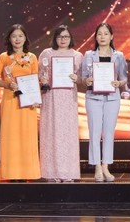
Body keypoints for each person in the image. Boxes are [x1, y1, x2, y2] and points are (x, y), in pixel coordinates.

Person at [0, 24, 41, 182]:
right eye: (14, 36)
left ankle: (27, 173)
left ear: (25, 38)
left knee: (27, 136)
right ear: (9, 39)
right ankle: (10, 174)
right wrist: (8, 85)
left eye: (20, 36)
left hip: (28, 103)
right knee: (10, 137)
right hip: (10, 101)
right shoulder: (3, 57)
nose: (17, 39)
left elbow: (35, 79)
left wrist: (36, 99)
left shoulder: (32, 57)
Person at [81, 22, 128, 182]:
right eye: (99, 34)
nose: (102, 37)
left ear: (111, 36)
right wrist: (87, 80)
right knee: (94, 132)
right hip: (93, 97)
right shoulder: (89, 55)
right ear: (96, 37)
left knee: (109, 133)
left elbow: (123, 78)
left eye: (106, 34)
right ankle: (97, 167)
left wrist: (119, 83)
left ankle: (106, 166)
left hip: (112, 98)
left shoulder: (119, 56)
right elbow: (83, 78)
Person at [38, 25, 82, 183]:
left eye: (66, 37)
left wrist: (77, 79)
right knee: (51, 132)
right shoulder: (46, 53)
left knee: (67, 134)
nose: (63, 40)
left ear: (71, 38)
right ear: (55, 38)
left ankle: (68, 172)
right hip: (51, 98)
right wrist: (43, 79)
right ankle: (51, 172)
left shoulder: (77, 56)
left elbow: (82, 78)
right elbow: (40, 74)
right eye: (60, 37)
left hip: (68, 98)